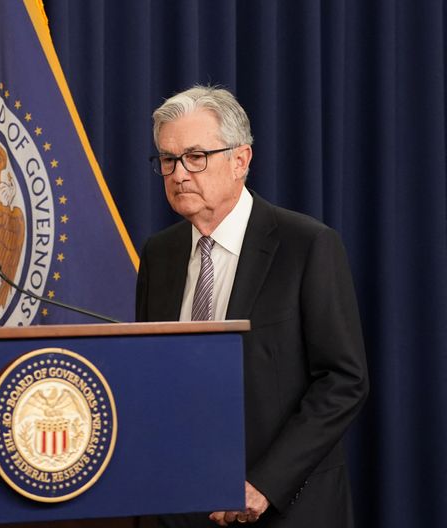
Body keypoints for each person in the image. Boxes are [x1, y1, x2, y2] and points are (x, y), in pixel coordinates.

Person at [136, 85, 369, 527]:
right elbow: (153, 374)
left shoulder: (307, 246)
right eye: (168, 159)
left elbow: (343, 381)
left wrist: (265, 484)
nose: (179, 173)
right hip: (179, 506)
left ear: (240, 160)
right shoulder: (159, 254)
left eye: (196, 156)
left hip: (284, 505)